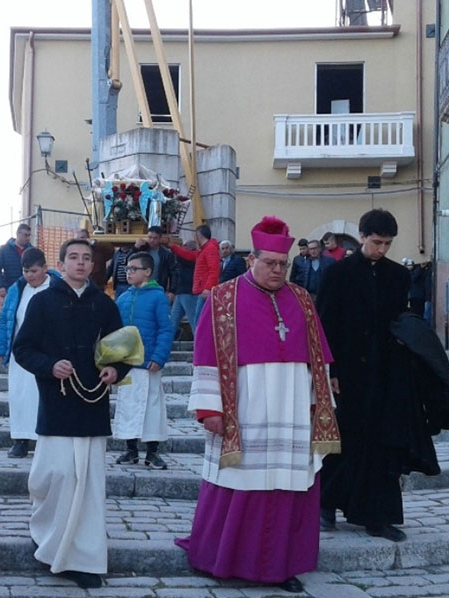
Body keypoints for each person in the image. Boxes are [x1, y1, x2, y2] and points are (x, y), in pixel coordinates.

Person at [175, 216, 339, 594]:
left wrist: (321, 404)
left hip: (292, 406)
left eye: (283, 265)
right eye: (270, 263)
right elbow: (205, 357)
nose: (278, 270)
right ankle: (220, 559)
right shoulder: (222, 298)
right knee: (236, 482)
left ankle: (281, 566)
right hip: (243, 405)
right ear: (253, 261)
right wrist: (209, 408)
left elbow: (319, 358)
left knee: (287, 486)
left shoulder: (301, 299)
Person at [11, 238, 133, 590]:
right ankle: (47, 535)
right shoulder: (43, 301)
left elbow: (120, 350)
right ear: (61, 264)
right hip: (58, 402)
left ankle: (81, 556)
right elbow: (23, 349)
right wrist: (50, 366)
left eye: (86, 258)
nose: (80, 263)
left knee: (89, 484)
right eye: (73, 258)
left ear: (93, 265)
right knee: (57, 475)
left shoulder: (103, 304)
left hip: (93, 404)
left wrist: (116, 371)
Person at [315, 208, 413, 542]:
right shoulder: (337, 275)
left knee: (381, 444)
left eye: (387, 244)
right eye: (376, 242)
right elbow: (325, 325)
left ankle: (377, 516)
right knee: (343, 441)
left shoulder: (399, 277)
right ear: (361, 237)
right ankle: (326, 504)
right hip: (347, 374)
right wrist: (331, 371)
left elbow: (402, 322)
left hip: (384, 374)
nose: (382, 249)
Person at [0, 247, 60, 458]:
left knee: (44, 396)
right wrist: (1, 347)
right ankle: (20, 440)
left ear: (45, 268)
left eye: (33, 271)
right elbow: (6, 318)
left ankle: (46, 440)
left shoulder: (58, 288)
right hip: (20, 352)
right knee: (20, 396)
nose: (29, 275)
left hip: (48, 353)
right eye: (26, 271)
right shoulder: (17, 289)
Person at [113, 252, 174, 469]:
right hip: (127, 364)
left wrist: (159, 356)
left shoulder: (157, 298)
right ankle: (130, 449)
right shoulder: (123, 298)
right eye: (127, 269)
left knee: (151, 408)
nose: (128, 273)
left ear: (147, 271)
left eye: (133, 269)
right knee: (128, 406)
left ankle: (152, 451)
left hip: (148, 364)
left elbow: (166, 330)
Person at [170, 224, 220, 330]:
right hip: (200, 291)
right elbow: (188, 255)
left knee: (198, 324)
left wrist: (208, 288)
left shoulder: (210, 249)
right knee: (196, 322)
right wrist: (173, 247)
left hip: (203, 291)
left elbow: (214, 270)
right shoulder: (205, 250)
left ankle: (201, 346)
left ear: (199, 236)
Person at [0, 223, 33, 297]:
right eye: (26, 235)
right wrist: (0, 286)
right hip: (9, 289)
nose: (28, 238)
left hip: (28, 289)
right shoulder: (4, 250)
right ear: (18, 234)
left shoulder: (33, 251)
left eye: (29, 235)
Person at [169, 240, 198, 341]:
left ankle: (199, 343)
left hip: (187, 292)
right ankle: (168, 343)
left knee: (193, 320)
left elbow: (183, 255)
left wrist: (173, 246)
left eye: (184, 246)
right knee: (173, 320)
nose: (182, 248)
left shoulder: (193, 257)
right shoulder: (187, 258)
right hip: (181, 292)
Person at [133, 225, 175, 292]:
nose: (152, 240)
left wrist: (172, 291)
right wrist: (135, 248)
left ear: (160, 239)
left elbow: (173, 273)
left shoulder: (166, 254)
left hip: (157, 287)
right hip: (140, 286)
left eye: (155, 238)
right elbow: (128, 261)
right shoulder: (141, 250)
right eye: (150, 237)